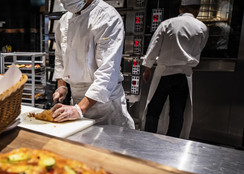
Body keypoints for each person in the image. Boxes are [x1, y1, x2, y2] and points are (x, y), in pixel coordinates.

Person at [50, 0, 135, 129]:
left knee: (107, 146)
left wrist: (79, 109)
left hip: (105, 104)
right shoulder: (64, 20)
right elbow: (60, 58)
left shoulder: (107, 17)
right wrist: (62, 86)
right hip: (76, 99)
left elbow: (108, 71)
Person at [141, 0, 208, 138]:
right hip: (184, 75)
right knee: (177, 113)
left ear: (180, 10)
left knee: (154, 110)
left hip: (164, 72)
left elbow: (154, 47)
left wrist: (147, 68)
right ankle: (173, 143)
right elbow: (200, 48)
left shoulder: (167, 24)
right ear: (197, 11)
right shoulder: (202, 27)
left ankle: (147, 139)